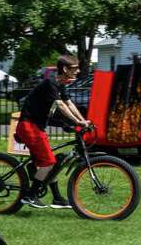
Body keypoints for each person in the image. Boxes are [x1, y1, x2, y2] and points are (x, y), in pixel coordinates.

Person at [15, 55, 90, 209]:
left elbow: (69, 103)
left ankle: (57, 198)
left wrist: (84, 120)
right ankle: (30, 196)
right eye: (75, 68)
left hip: (36, 127)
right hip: (29, 126)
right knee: (49, 162)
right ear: (65, 69)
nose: (78, 71)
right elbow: (61, 106)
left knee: (51, 162)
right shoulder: (50, 83)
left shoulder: (59, 84)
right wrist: (77, 122)